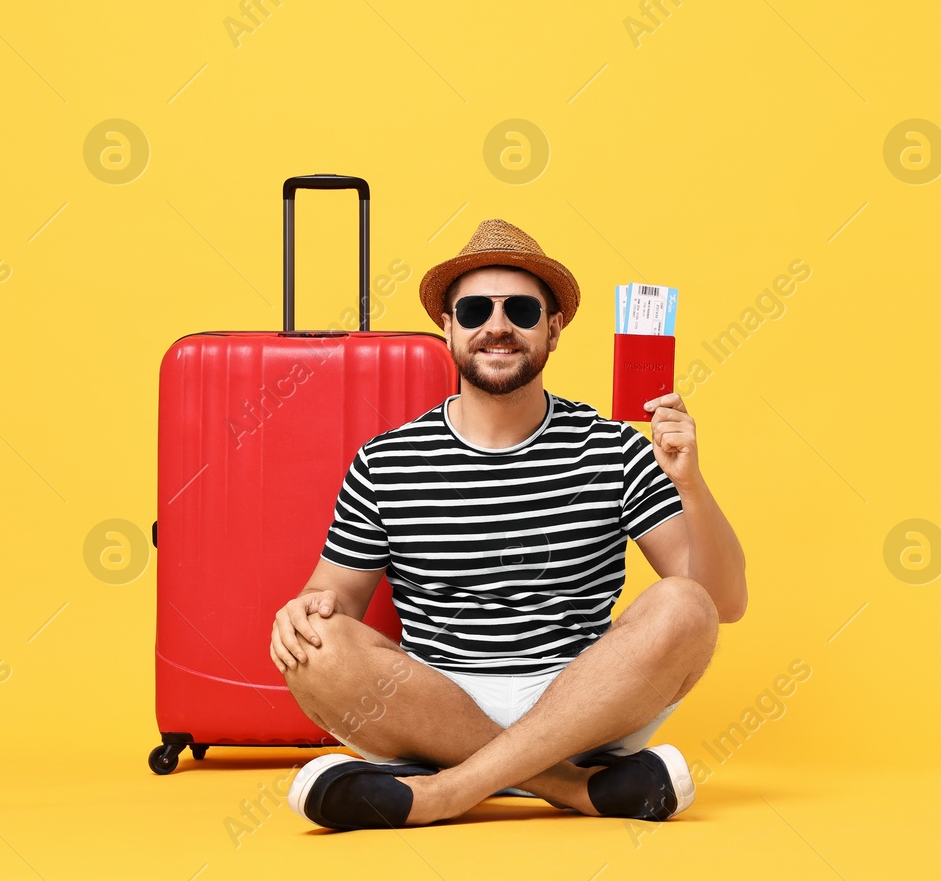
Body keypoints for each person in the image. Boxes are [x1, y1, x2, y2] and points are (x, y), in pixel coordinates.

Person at [270, 218, 746, 831]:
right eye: (475, 310)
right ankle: (572, 788)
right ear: (448, 328)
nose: (498, 326)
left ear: (553, 329)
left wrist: (690, 482)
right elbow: (331, 600)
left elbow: (723, 602)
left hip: (584, 707)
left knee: (686, 605)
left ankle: (441, 793)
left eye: (520, 308)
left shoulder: (613, 448)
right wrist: (302, 609)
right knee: (313, 644)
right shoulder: (386, 461)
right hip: (433, 708)